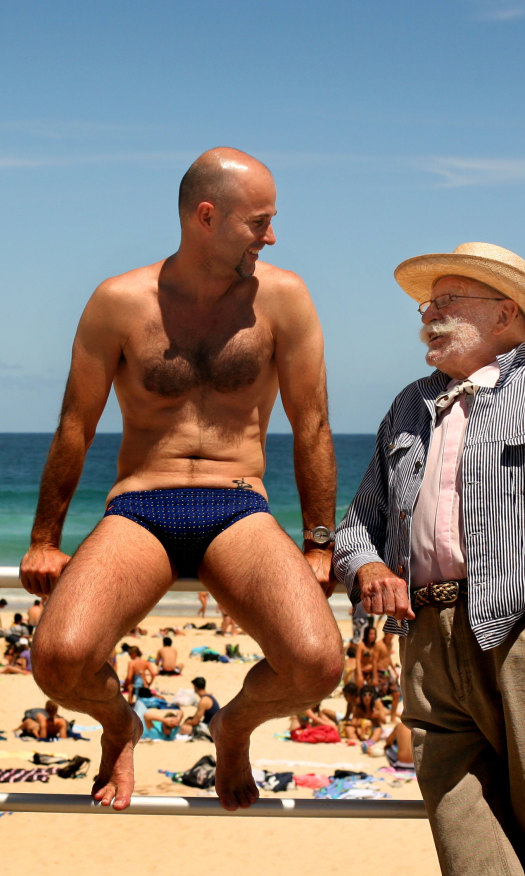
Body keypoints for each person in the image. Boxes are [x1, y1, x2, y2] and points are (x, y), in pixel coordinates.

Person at [20, 146, 343, 813]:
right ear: (206, 217)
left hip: (238, 506)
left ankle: (233, 728)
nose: (272, 235)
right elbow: (76, 424)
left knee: (317, 663)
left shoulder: (284, 298)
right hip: (142, 504)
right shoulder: (119, 302)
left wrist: (319, 542)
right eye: (259, 221)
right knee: (56, 658)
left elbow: (311, 425)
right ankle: (120, 724)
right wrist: (45, 538)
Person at [333, 241, 525, 874]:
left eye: (447, 301)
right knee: (465, 838)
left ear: (505, 313)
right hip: (426, 641)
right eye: (428, 303)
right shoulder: (409, 405)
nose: (428, 315)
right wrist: (368, 568)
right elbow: (358, 523)